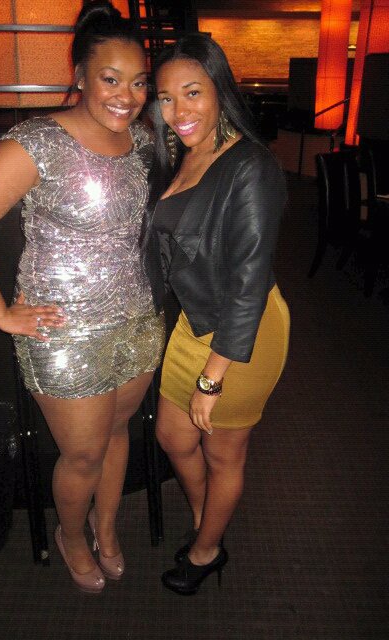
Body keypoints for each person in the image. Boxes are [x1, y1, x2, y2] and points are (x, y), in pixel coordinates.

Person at [0, 1, 165, 593]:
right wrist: (0, 313)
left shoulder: (143, 142)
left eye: (138, 82)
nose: (126, 96)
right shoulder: (38, 142)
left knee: (118, 433)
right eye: (111, 79)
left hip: (135, 320)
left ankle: (106, 527)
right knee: (83, 454)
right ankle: (71, 535)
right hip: (63, 330)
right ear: (81, 77)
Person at [141, 33, 290, 595]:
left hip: (242, 334)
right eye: (166, 97)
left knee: (223, 451)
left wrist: (212, 378)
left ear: (220, 91)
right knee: (173, 437)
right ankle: (211, 518)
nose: (178, 110)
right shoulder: (185, 152)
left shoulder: (252, 166)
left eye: (192, 92)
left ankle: (206, 551)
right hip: (195, 321)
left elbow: (249, 284)